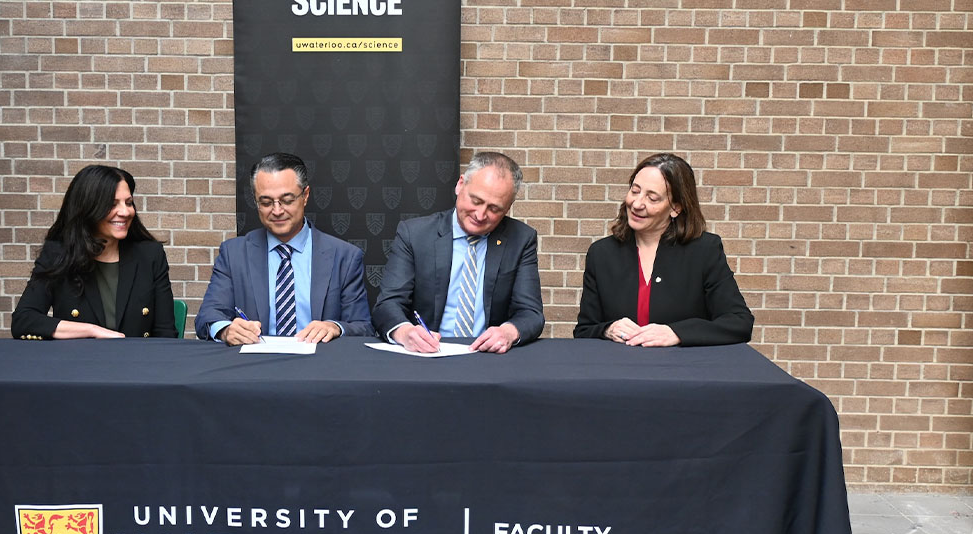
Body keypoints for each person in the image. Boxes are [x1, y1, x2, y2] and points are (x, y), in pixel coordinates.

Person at [372, 151, 544, 354]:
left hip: (488, 358)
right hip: (425, 356)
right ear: (460, 184)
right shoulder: (415, 235)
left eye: (494, 209)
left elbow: (531, 313)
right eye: (476, 201)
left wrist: (508, 332)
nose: (480, 215)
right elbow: (387, 304)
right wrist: (405, 332)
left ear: (508, 208)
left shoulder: (520, 239)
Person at [575, 153, 753, 347]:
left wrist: (677, 333)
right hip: (619, 370)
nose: (637, 204)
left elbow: (739, 322)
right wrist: (607, 330)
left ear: (676, 208)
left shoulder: (704, 251)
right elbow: (584, 330)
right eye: (635, 191)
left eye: (652, 198)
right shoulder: (601, 254)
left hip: (683, 371)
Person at [195, 152, 374, 344]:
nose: (277, 211)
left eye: (287, 200)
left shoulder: (344, 256)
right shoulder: (234, 254)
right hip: (253, 365)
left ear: (305, 196)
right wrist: (226, 330)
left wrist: (335, 327)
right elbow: (208, 316)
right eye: (266, 202)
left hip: (320, 365)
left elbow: (362, 326)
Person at [11, 165, 177, 339]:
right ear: (88, 208)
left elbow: (165, 335)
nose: (125, 212)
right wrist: (92, 330)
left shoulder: (150, 255)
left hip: (137, 362)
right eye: (112, 204)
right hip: (78, 362)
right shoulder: (58, 254)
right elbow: (23, 320)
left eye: (128, 203)